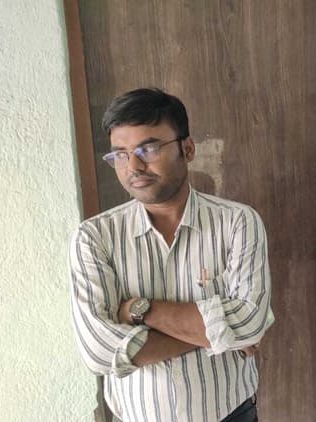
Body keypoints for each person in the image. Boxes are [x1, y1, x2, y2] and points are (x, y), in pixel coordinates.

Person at [69, 88, 274, 422]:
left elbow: (250, 325)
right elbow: (98, 351)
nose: (133, 166)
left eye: (147, 149)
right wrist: (220, 335)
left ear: (187, 149)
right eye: (120, 154)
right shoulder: (94, 237)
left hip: (231, 414)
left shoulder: (237, 222)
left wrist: (140, 310)